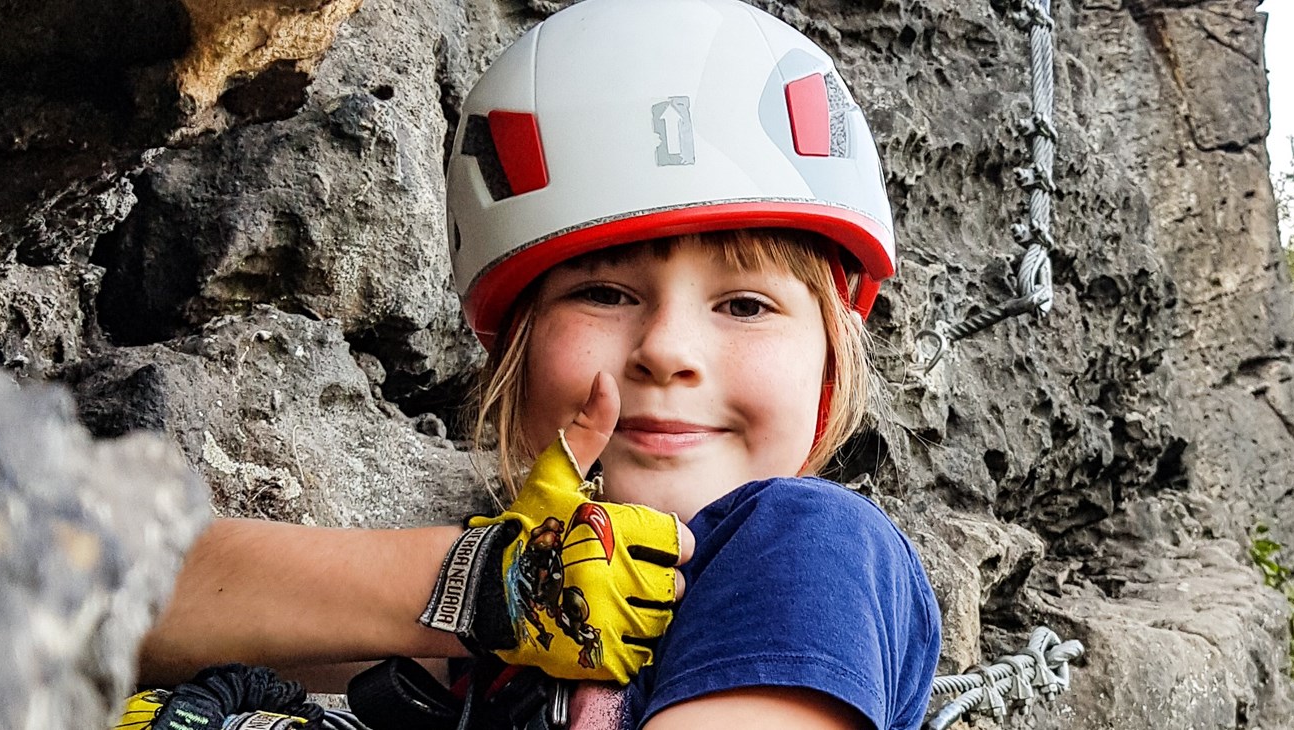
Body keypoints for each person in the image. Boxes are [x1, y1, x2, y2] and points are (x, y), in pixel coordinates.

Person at [135, 0, 941, 728]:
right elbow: (112, 596)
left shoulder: (815, 549)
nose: (665, 349)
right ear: (517, 352)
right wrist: (488, 585)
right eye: (604, 294)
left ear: (830, 361)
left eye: (745, 305)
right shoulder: (535, 613)